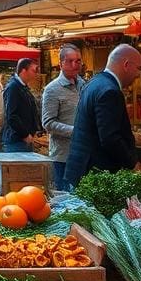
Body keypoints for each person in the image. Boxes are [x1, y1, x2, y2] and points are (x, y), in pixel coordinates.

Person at [63, 43, 141, 189]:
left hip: (82, 171)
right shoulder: (110, 91)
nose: (138, 74)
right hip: (95, 175)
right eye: (138, 68)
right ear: (126, 64)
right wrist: (132, 163)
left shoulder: (94, 83)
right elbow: (110, 138)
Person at [42, 44, 87, 189]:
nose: (75, 64)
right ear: (61, 63)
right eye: (70, 61)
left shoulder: (84, 85)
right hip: (63, 156)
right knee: (66, 199)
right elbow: (48, 123)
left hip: (83, 153)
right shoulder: (52, 89)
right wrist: (76, 131)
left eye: (78, 61)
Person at [3, 58, 41, 152]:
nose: (36, 74)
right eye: (33, 70)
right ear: (24, 71)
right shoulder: (13, 87)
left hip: (23, 140)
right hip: (17, 141)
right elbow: (12, 115)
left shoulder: (22, 87)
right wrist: (25, 134)